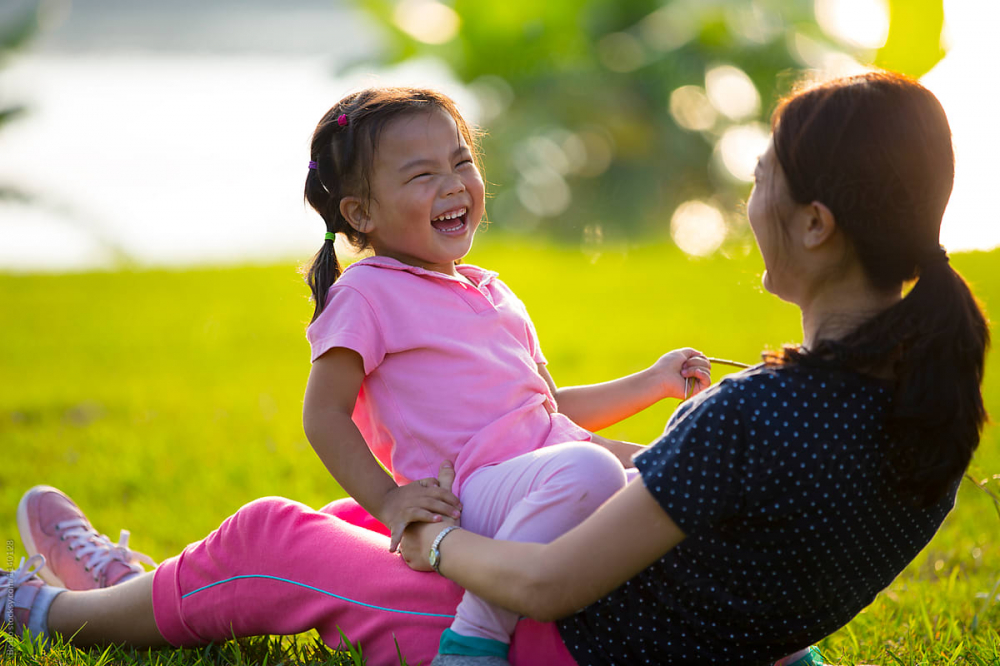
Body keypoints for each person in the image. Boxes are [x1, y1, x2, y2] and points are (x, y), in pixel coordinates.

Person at [1, 70, 987, 665]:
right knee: (343, 518)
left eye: (763, 177)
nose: (749, 198)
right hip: (664, 622)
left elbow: (549, 583)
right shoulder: (927, 409)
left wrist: (421, 538)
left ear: (815, 224)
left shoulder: (759, 414)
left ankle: (56, 617)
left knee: (274, 537)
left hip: (561, 637)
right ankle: (135, 584)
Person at [298, 87, 710, 663]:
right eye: (421, 175)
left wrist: (655, 381)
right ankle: (475, 636)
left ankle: (778, 646)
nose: (451, 183)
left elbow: (548, 411)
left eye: (461, 160)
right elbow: (323, 414)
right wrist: (391, 503)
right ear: (361, 212)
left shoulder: (493, 291)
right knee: (589, 469)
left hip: (550, 468)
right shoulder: (367, 294)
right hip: (472, 489)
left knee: (692, 477)